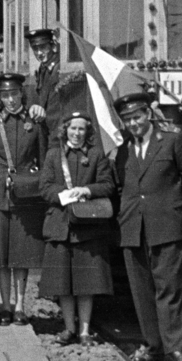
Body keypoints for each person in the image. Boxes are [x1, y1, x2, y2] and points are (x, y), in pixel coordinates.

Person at [114, 90, 182, 361]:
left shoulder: (172, 141)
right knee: (142, 292)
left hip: (166, 226)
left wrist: (172, 205)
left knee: (171, 288)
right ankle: (153, 346)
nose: (133, 123)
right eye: (127, 119)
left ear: (148, 114)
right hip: (134, 228)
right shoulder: (124, 150)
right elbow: (121, 186)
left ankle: (174, 349)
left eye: (137, 117)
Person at [0, 71, 47, 325]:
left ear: (21, 94)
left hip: (26, 194)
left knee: (21, 254)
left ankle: (20, 306)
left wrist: (34, 182)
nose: (11, 100)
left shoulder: (35, 121)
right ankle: (5, 305)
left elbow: (44, 159)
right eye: (5, 95)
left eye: (14, 94)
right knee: (0, 254)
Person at [40, 111, 116, 345]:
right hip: (60, 225)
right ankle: (69, 328)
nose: (77, 133)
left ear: (87, 131)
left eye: (81, 129)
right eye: (73, 128)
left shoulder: (96, 155)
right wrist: (63, 195)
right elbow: (45, 187)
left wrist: (87, 190)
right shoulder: (53, 155)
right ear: (65, 130)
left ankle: (84, 330)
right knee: (63, 283)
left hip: (87, 227)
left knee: (86, 282)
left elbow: (108, 185)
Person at [26, 28, 61, 131]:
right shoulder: (43, 68)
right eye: (35, 48)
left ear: (52, 45)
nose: (39, 53)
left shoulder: (59, 68)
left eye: (43, 47)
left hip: (57, 127)